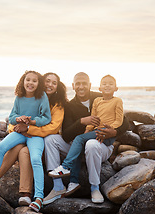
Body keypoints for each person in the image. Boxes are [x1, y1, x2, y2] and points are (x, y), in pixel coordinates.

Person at [43, 72, 129, 204]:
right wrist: (82, 121)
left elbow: (126, 123)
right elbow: (66, 135)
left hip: (101, 147)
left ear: (90, 85)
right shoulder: (69, 105)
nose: (81, 87)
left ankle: (95, 188)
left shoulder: (102, 97)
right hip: (77, 149)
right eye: (78, 84)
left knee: (91, 144)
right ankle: (58, 186)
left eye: (84, 83)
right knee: (50, 139)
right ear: (73, 86)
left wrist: (113, 132)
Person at [0, 70, 51, 212]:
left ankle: (39, 197)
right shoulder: (19, 97)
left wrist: (31, 121)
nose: (30, 83)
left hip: (35, 134)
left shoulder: (42, 96)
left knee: (35, 158)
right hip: (20, 133)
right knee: (1, 147)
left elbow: (46, 118)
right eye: (27, 80)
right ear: (23, 81)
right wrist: (18, 119)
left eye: (34, 81)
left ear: (38, 83)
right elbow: (12, 117)